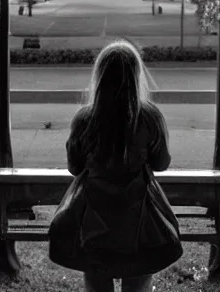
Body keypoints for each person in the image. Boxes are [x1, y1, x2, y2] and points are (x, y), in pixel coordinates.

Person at [49, 39, 183, 292]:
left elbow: (74, 167)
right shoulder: (149, 117)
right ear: (136, 76)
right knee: (138, 277)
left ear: (99, 77)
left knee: (96, 279)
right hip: (138, 219)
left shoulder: (85, 119)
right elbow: (162, 163)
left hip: (94, 221)